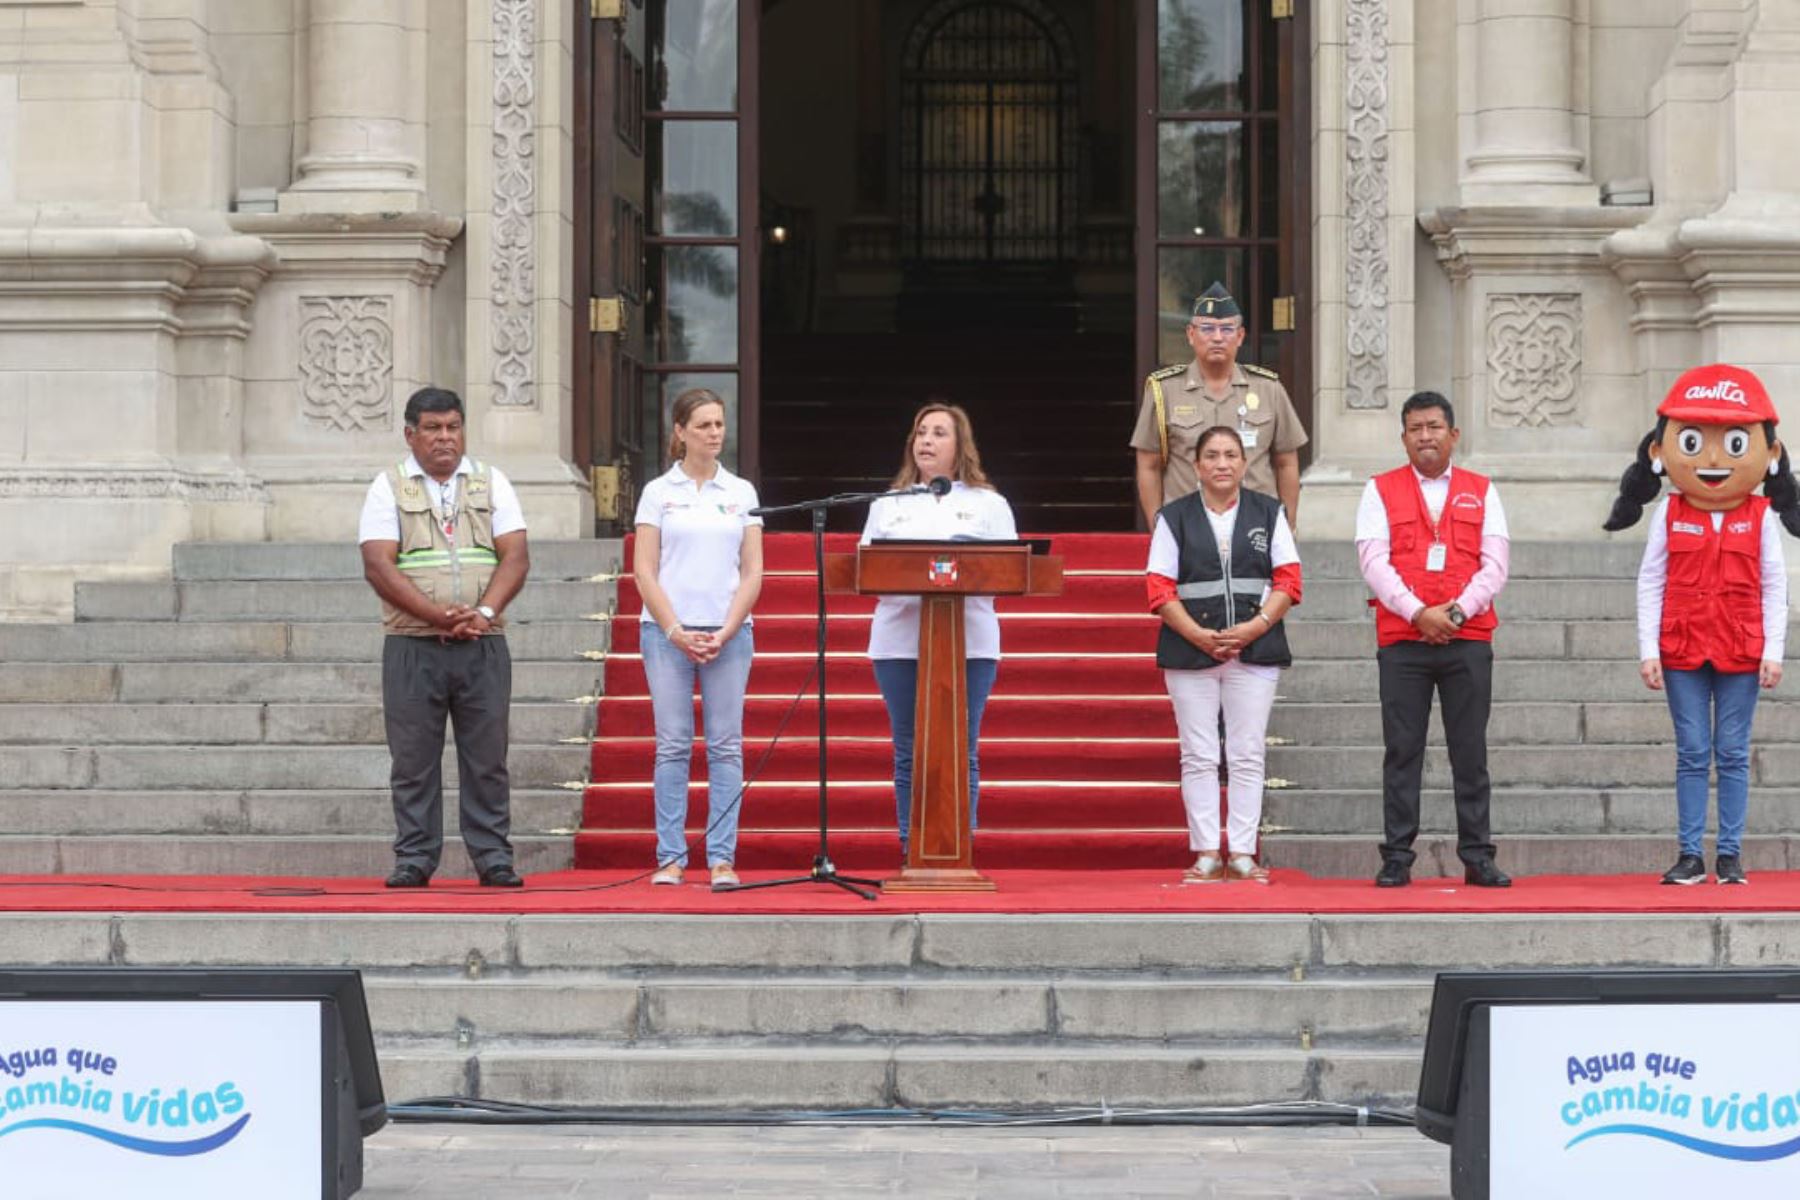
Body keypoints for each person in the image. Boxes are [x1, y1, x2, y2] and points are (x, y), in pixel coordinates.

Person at [1603, 363, 1797, 886]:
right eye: (1693, 440)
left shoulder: (1759, 518)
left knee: (1732, 753)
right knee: (1692, 753)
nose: (1712, 458)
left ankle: (1729, 854)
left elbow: (1775, 587)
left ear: (1768, 454)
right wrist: (1648, 650)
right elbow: (1651, 581)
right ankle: (1690, 854)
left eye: (1732, 442)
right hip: (1683, 649)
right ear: (1661, 451)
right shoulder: (1669, 513)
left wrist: (1773, 652)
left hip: (1740, 649)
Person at [359, 386, 529, 889]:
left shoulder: (490, 480)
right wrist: (437, 615)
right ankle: (414, 858)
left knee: (488, 759)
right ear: (410, 435)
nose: (444, 438)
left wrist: (484, 610)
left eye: (453, 427)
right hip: (413, 645)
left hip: (483, 642)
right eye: (432, 429)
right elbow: (377, 564)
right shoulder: (386, 486)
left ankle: (493, 857)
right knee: (412, 760)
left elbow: (515, 556)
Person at [1356, 391, 1511, 889]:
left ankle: (1478, 855)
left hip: (1468, 638)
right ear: (1403, 437)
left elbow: (1496, 564)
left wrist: (1458, 612)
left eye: (1435, 427)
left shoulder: (1481, 490)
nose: (1426, 436)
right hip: (1404, 639)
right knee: (1402, 750)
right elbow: (1373, 562)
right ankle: (1397, 856)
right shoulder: (1379, 491)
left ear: (1454, 434)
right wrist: (1418, 612)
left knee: (1471, 752)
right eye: (1416, 428)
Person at [1147, 426, 1302, 883]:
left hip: (1255, 650)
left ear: (1244, 463)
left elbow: (1289, 581)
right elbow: (1158, 587)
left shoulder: (1269, 512)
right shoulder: (1173, 517)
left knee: (1247, 753)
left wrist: (1254, 627)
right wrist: (1197, 634)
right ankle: (1206, 852)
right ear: (1196, 466)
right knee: (1198, 753)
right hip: (1189, 650)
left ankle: (1242, 852)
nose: (1221, 463)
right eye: (1211, 455)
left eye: (1231, 455)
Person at [861, 402, 1017, 856]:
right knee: (908, 748)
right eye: (921, 432)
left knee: (960, 748)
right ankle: (913, 847)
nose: (927, 440)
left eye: (939, 433)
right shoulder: (889, 504)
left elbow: (1010, 571)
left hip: (970, 643)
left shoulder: (989, 504)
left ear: (959, 446)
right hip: (899, 643)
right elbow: (865, 568)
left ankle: (958, 848)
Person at [632, 388, 764, 890]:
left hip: (729, 634)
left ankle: (722, 858)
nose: (714, 433)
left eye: (719, 424)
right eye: (704, 425)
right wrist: (675, 630)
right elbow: (645, 569)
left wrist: (726, 630)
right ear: (680, 431)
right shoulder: (658, 491)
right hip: (667, 634)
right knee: (672, 745)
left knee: (727, 747)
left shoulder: (742, 492)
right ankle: (670, 857)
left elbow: (753, 572)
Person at [1130, 282, 1308, 532]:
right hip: (1188, 528)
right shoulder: (1165, 391)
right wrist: (1159, 528)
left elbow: (1286, 462)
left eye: (1226, 329)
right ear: (1191, 334)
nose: (1217, 337)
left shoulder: (1268, 388)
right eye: (1207, 329)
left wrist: (1286, 528)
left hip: (1256, 528)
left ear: (1240, 336)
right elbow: (1148, 465)